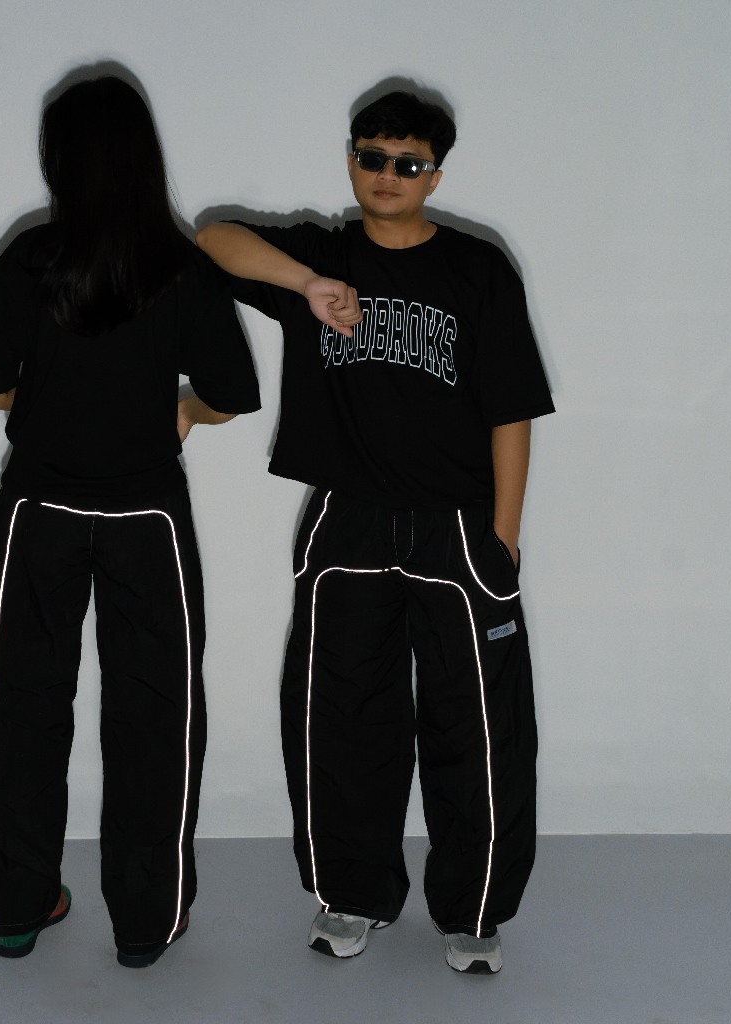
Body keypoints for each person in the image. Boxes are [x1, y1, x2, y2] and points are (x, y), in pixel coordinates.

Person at [196, 88, 553, 974]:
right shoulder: (322, 254)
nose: (387, 175)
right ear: (350, 159)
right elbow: (211, 240)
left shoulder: (478, 270)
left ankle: (473, 908)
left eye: (408, 162)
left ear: (435, 174)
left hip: (457, 527)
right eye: (371, 157)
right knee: (339, 715)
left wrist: (504, 538)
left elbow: (511, 409)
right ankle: (351, 894)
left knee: (476, 725)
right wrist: (305, 285)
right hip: (347, 522)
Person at [0, 73, 260, 968]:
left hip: (39, 511)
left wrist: (52, 412)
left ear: (60, 161)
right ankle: (145, 922)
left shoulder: (30, 257)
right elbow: (233, 393)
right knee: (155, 712)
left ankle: (16, 909)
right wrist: (182, 413)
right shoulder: (182, 267)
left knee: (15, 706)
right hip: (146, 520)